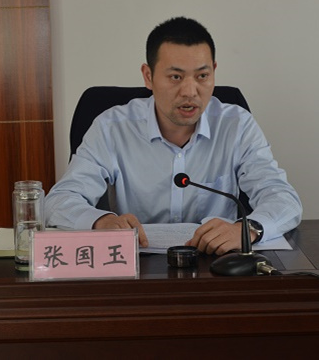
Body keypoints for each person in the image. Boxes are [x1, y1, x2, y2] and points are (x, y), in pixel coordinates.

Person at [43, 17, 302, 255]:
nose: (190, 91)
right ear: (148, 76)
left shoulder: (237, 125)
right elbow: (59, 201)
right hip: (138, 268)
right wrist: (101, 221)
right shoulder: (112, 127)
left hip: (215, 264)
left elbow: (283, 199)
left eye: (202, 76)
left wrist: (249, 229)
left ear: (214, 71)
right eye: (176, 77)